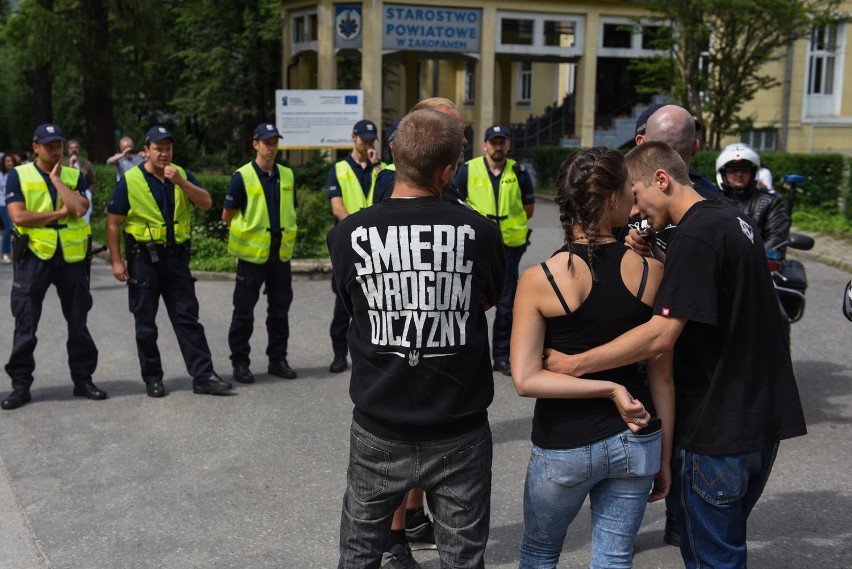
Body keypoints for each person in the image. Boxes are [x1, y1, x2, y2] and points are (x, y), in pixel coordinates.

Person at [544, 141, 807, 569]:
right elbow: (717, 299)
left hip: (716, 432)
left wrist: (574, 365)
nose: (633, 209)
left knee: (711, 560)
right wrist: (663, 256)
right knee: (726, 549)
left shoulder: (697, 236)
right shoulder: (730, 221)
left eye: (637, 193)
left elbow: (660, 337)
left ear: (661, 180)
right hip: (760, 425)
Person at [328, 109, 505, 569]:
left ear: (392, 155)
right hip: (458, 427)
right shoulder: (482, 233)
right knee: (463, 559)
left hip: (379, 425)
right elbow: (487, 298)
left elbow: (356, 306)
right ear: (448, 171)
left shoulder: (348, 234)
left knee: (359, 554)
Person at [511, 147, 673, 567]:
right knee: (613, 557)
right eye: (626, 191)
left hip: (564, 444)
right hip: (637, 438)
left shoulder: (539, 279)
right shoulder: (651, 271)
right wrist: (665, 456)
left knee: (540, 553)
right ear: (610, 199)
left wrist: (606, 388)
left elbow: (526, 380)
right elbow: (662, 376)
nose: (632, 201)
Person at [105, 125, 233, 398]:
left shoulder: (182, 175)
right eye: (158, 148)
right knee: (146, 323)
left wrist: (182, 183)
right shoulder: (131, 180)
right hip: (143, 261)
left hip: (175, 260)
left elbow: (207, 203)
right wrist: (117, 262)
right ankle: (153, 377)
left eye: (168, 148)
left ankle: (203, 375)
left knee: (188, 319)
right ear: (146, 151)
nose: (164, 153)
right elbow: (113, 222)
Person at [1, 124, 104, 410]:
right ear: (35, 147)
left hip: (70, 258)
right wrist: (59, 212)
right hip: (34, 256)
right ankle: (21, 386)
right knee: (26, 323)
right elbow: (19, 216)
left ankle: (83, 380)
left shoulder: (72, 175)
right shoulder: (18, 175)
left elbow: (81, 208)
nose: (55, 149)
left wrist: (58, 182)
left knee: (78, 321)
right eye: (48, 145)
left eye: (57, 143)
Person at [453, 125, 535, 376]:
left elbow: (528, 207)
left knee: (506, 303)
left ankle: (500, 356)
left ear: (508, 145)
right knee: (467, 301)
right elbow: (455, 203)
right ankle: (464, 356)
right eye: (493, 142)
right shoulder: (468, 170)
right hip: (475, 246)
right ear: (485, 145)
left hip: (509, 246)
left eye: (502, 142)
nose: (498, 146)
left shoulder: (518, 172)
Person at [222, 123, 298, 383]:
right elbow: (227, 215)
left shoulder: (287, 175)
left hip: (280, 255)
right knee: (243, 313)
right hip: (251, 257)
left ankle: (278, 360)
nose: (271, 148)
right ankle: (240, 363)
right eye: (266, 143)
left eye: (275, 142)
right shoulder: (242, 176)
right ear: (255, 144)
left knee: (279, 312)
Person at [327, 118, 383, 374]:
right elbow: (337, 207)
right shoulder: (339, 168)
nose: (367, 144)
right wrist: (359, 229)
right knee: (344, 304)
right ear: (353, 137)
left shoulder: (379, 168)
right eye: (364, 139)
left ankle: (373, 354)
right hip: (350, 245)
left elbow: (390, 193)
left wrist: (377, 165)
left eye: (372, 140)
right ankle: (339, 354)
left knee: (378, 304)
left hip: (378, 246)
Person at [716, 142, 789, 250]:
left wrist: (754, 259)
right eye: (733, 170)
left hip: (757, 263)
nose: (739, 174)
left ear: (753, 173)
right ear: (723, 174)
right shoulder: (711, 199)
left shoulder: (770, 201)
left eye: (744, 170)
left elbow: (777, 237)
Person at [65, 139, 95, 222]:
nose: (74, 150)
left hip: (84, 195)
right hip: (68, 195)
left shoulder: (86, 164)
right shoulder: (63, 164)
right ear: (68, 150)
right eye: (71, 148)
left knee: (85, 218)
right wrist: (71, 164)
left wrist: (89, 192)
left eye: (76, 147)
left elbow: (93, 181)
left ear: (79, 150)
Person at [1, 153, 16, 264]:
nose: (9, 163)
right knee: (9, 227)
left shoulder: (17, 174)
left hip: (15, 203)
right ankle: (6, 253)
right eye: (7, 161)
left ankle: (16, 252)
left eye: (11, 160)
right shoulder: (1, 175)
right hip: (2, 204)